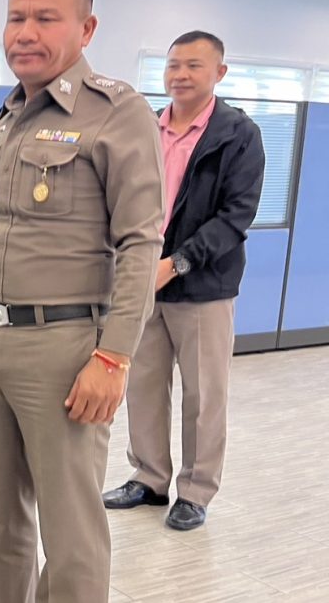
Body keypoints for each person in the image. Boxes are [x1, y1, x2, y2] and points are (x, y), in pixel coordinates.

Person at [0, 0, 165, 601]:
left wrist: (114, 356)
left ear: (86, 29)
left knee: (71, 533)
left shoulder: (116, 111)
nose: (25, 33)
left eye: (45, 18)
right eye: (15, 18)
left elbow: (141, 243)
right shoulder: (8, 116)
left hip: (65, 350)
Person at [102, 30, 265, 531]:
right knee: (144, 386)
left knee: (203, 395)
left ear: (219, 72)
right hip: (142, 280)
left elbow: (235, 217)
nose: (180, 75)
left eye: (194, 65)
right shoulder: (147, 127)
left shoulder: (238, 134)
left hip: (203, 285)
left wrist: (176, 264)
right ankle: (149, 477)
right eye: (173, 65)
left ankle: (195, 491)